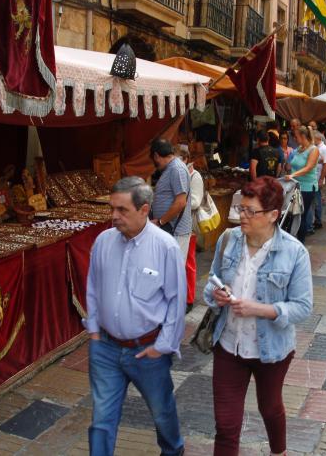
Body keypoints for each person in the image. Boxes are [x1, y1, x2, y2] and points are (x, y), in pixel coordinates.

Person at [203, 176, 313, 456]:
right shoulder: (228, 240)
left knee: (270, 406)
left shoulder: (294, 252)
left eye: (251, 211)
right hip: (228, 345)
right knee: (226, 426)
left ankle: (279, 452)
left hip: (272, 349)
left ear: (273, 215)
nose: (243, 216)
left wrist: (260, 310)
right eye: (241, 208)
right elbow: (211, 282)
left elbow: (303, 306)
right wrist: (217, 294)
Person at [84, 177, 187, 456]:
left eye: (122, 210)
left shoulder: (165, 247)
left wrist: (162, 347)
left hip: (147, 351)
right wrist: (94, 333)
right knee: (102, 419)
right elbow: (92, 287)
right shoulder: (104, 241)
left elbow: (176, 303)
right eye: (112, 209)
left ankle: (173, 451)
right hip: (105, 347)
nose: (114, 217)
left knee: (162, 412)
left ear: (144, 210)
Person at [150, 139, 192, 257]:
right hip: (170, 230)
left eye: (154, 161)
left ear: (156, 155)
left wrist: (160, 221)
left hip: (176, 231)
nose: (155, 165)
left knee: (173, 271)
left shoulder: (176, 169)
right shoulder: (171, 168)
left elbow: (180, 202)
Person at [285, 126, 319, 243]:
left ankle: (301, 242)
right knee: (292, 214)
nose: (294, 139)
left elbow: (309, 167)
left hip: (307, 187)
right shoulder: (299, 149)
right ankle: (293, 240)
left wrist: (293, 175)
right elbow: (291, 164)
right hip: (295, 186)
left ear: (303, 136)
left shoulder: (313, 150)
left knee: (301, 215)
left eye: (296, 137)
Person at [180, 145, 204, 312]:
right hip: (179, 224)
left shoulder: (195, 176)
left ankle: (189, 298)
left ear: (186, 159)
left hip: (189, 225)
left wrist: (179, 201)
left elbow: (195, 202)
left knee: (188, 262)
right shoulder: (180, 175)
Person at [307, 130, 326, 234]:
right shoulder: (317, 148)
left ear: (318, 138)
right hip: (314, 178)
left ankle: (317, 220)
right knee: (316, 199)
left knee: (316, 200)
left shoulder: (324, 149)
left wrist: (321, 179)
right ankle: (317, 220)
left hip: (317, 178)